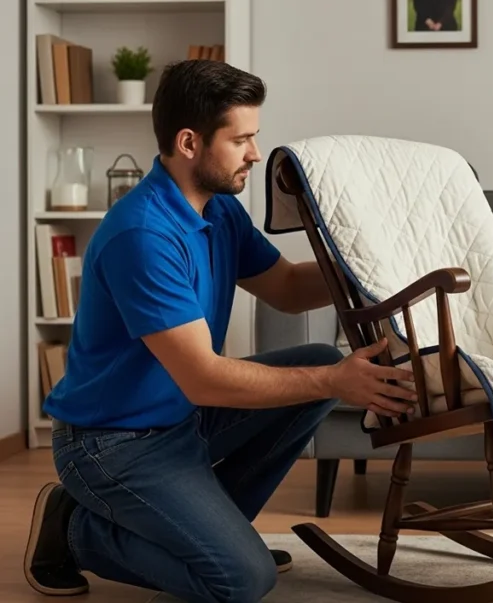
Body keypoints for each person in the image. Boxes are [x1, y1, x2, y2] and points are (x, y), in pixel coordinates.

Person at [24, 59, 419, 602]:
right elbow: (205, 380)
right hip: (112, 443)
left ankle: (213, 535)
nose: (256, 153)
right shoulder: (142, 235)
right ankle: (75, 530)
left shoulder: (220, 211)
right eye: (243, 140)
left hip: (179, 420)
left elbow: (284, 286)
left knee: (311, 360)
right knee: (240, 579)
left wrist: (373, 268)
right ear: (190, 142)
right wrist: (335, 381)